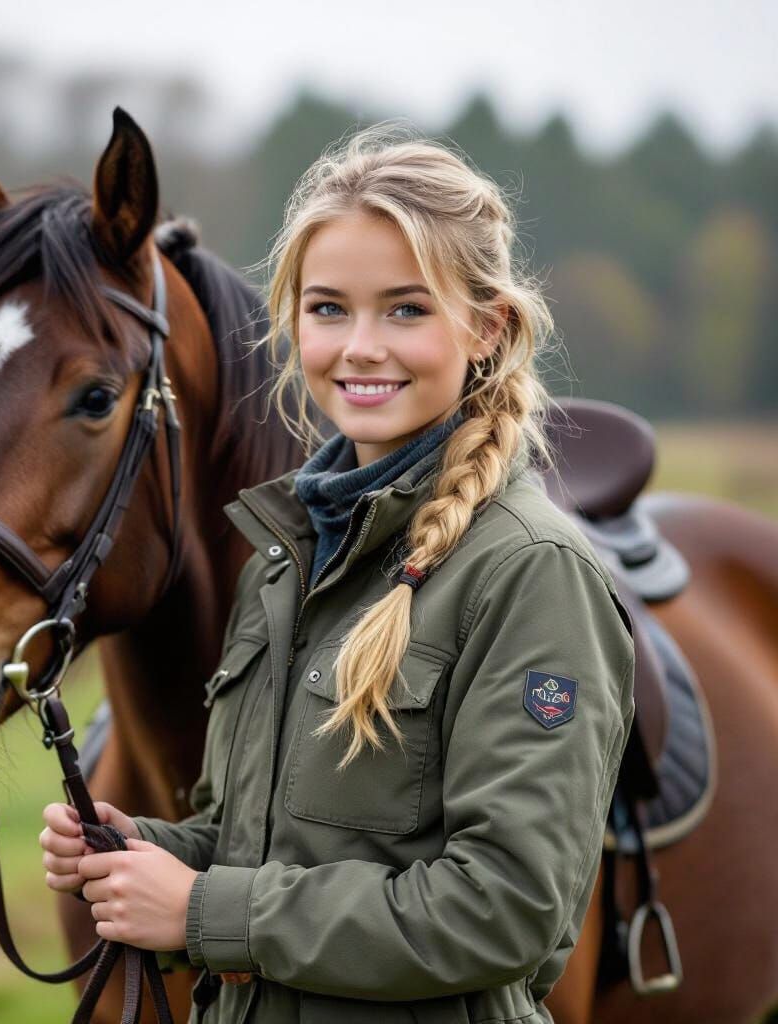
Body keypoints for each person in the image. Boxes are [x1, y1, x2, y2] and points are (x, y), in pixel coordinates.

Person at [39, 123, 636, 1023]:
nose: (360, 346)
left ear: (487, 327)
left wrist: (201, 911)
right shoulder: (284, 561)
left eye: (406, 309)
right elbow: (257, 840)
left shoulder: (531, 574)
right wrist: (141, 850)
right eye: (327, 309)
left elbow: (505, 908)